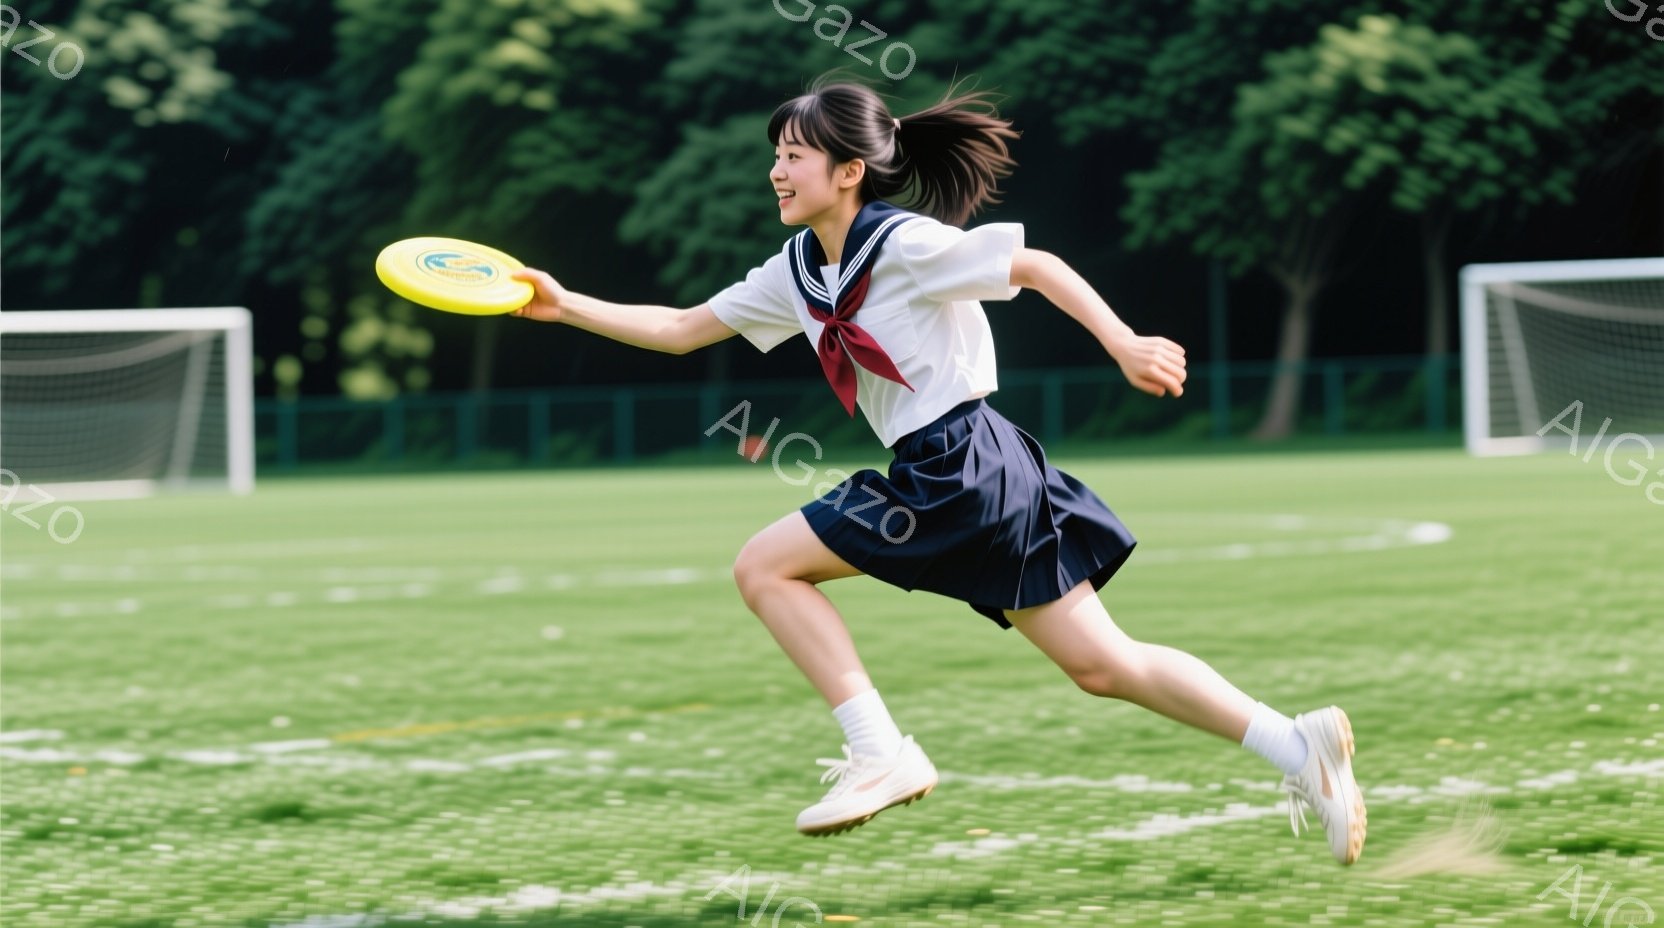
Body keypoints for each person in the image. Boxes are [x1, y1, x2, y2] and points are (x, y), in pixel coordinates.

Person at [509, 75, 1367, 865]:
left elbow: (1035, 267)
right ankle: (1300, 746)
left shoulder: (907, 243)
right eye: (774, 153)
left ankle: (881, 753)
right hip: (977, 469)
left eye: (793, 155)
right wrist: (560, 305)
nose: (776, 169)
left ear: (848, 171)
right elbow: (681, 328)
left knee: (764, 566)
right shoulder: (799, 270)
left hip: (960, 462)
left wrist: (1122, 341)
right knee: (1103, 666)